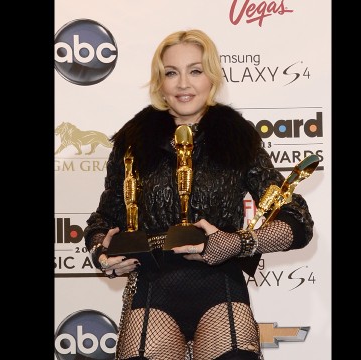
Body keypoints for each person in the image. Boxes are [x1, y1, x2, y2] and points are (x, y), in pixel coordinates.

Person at [84, 29, 314, 360]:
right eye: (171, 73)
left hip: (221, 289)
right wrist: (101, 252)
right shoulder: (131, 142)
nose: (183, 84)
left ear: (212, 76)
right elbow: (105, 218)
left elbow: (298, 220)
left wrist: (237, 243)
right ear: (159, 82)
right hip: (151, 290)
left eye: (195, 70)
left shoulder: (238, 139)